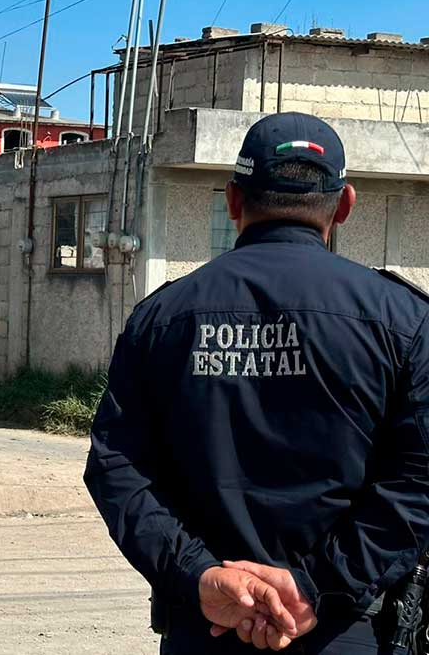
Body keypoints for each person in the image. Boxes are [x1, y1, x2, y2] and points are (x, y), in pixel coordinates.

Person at [84, 112, 429, 653]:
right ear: (344, 205)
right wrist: (316, 589)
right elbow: (419, 482)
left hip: (207, 624)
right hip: (346, 630)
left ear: (233, 200)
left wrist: (198, 575)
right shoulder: (404, 321)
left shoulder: (165, 317)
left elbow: (117, 468)